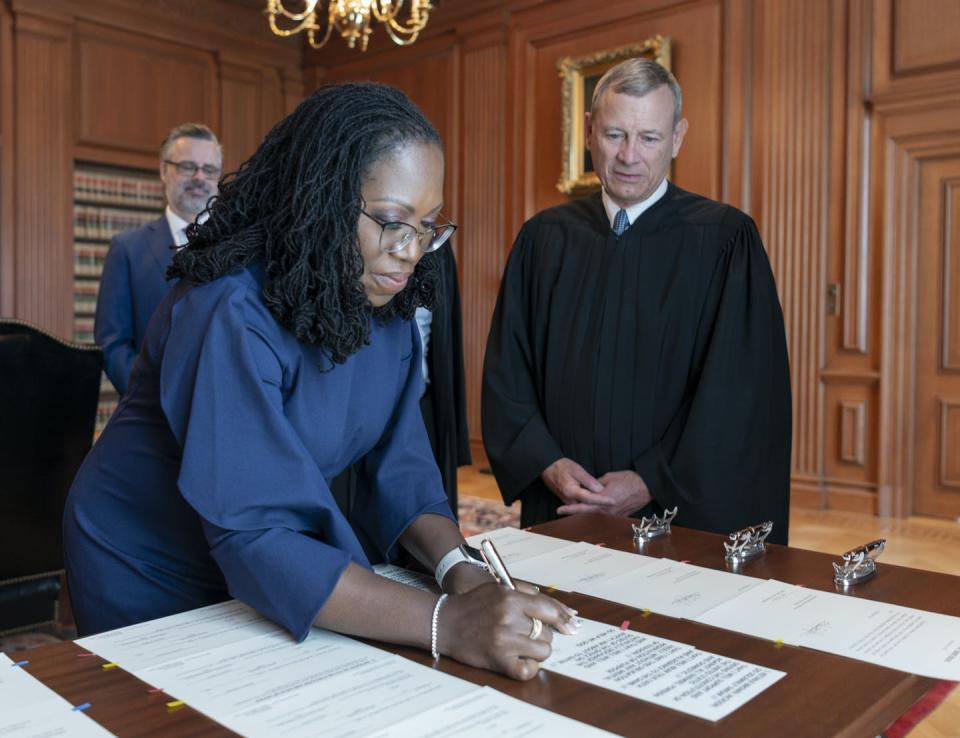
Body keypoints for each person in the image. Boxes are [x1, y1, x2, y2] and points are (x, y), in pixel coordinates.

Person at [64, 82, 576, 681]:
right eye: (391, 222)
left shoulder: (385, 306)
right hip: (149, 557)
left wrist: (460, 572)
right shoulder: (230, 309)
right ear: (325, 202)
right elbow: (257, 533)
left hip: (270, 556)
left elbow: (402, 469)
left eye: (428, 225)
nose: (411, 252)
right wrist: (449, 622)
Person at [482, 58, 792, 544]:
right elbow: (508, 371)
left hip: (676, 512)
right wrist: (547, 462)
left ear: (677, 137)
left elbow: (739, 393)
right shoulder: (543, 239)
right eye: (614, 135)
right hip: (561, 502)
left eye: (648, 137)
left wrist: (652, 479)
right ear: (588, 132)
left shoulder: (725, 240)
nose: (629, 155)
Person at [94, 123, 222, 394]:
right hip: (151, 419)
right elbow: (112, 343)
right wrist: (149, 400)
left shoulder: (237, 248)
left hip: (222, 415)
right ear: (164, 170)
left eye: (209, 170)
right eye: (188, 166)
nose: (200, 177)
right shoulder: (128, 249)